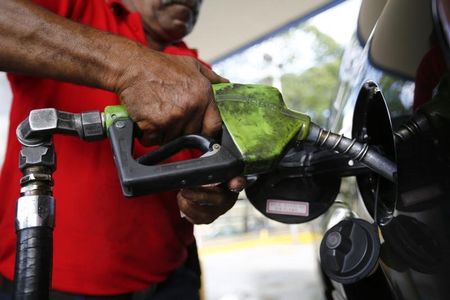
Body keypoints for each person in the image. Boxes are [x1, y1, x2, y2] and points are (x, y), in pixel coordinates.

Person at [0, 0, 244, 299]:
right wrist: (129, 64)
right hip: (46, 277)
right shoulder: (80, 8)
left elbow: (210, 171)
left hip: (170, 280)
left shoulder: (199, 73)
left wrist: (214, 191)